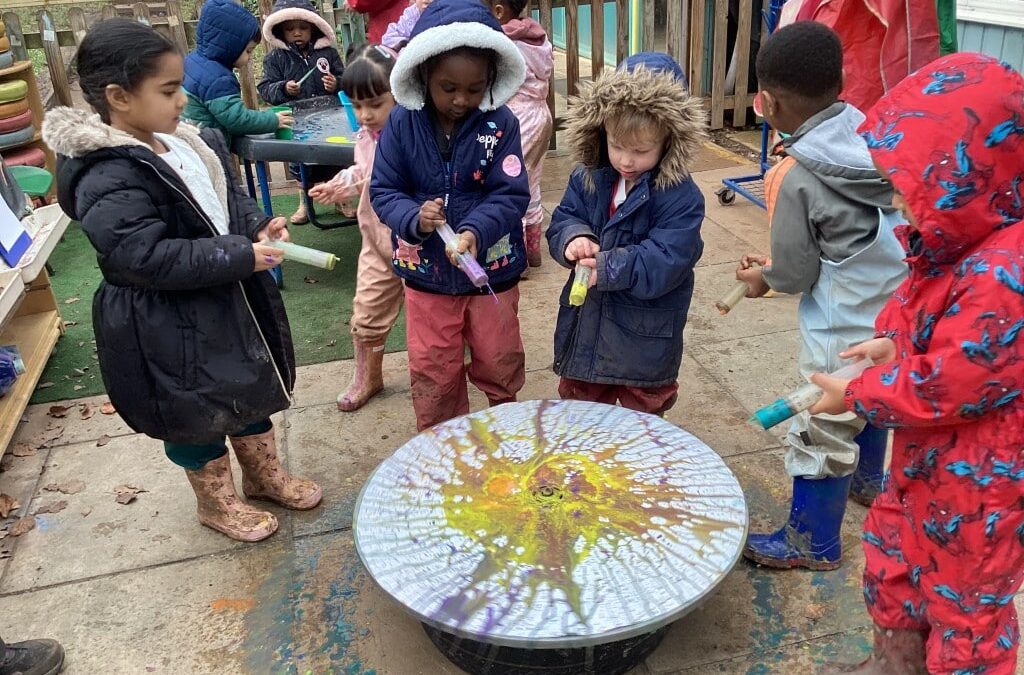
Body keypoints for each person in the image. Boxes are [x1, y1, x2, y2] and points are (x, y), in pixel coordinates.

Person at [43, 19, 321, 543]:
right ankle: (216, 502)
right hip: (167, 320)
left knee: (248, 386)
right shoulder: (108, 172)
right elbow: (140, 257)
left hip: (225, 295)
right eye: (169, 90)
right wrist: (241, 254)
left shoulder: (185, 142)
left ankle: (264, 477)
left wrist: (256, 222)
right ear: (119, 97)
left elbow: (222, 197)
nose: (182, 99)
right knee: (192, 408)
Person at [810, 53, 1024, 675]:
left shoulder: (1008, 270)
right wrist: (893, 346)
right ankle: (894, 662)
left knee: (966, 613)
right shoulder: (955, 241)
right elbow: (925, 318)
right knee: (893, 561)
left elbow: (958, 379)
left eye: (909, 186)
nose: (900, 201)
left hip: (981, 485)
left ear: (966, 175)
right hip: (924, 464)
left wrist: (861, 393)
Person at [733, 21, 907, 571]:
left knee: (822, 422)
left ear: (769, 102)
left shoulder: (794, 173)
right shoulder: (869, 133)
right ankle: (868, 480)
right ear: (842, 81)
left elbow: (798, 272)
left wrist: (766, 276)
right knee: (873, 395)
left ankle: (813, 541)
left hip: (840, 325)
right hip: (893, 310)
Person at [371, 0, 530, 432]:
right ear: (423, 73)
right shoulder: (401, 123)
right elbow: (383, 190)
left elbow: (511, 193)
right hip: (426, 276)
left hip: (491, 271)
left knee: (500, 357)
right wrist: (413, 217)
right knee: (433, 367)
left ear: (491, 80)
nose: (461, 100)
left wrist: (476, 230)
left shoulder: (501, 125)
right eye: (448, 88)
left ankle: (507, 423)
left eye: (474, 88)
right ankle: (439, 442)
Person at [546, 52, 705, 415]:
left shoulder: (681, 197)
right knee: (583, 410)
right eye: (617, 146)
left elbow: (669, 257)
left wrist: (611, 266)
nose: (626, 161)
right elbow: (565, 216)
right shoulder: (589, 176)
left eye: (641, 151)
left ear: (669, 142)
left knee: (641, 419)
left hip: (644, 335)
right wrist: (573, 238)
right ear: (601, 132)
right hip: (589, 323)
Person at [308, 44, 402, 412]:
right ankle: (368, 376)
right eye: (356, 105)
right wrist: (340, 185)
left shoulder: (414, 136)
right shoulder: (367, 137)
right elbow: (363, 173)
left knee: (442, 316)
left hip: (418, 243)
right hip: (377, 242)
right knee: (366, 312)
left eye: (375, 104)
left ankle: (453, 369)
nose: (363, 115)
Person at [257, 0, 346, 225]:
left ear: (314, 28)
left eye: (303, 27)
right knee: (300, 164)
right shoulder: (275, 58)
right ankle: (305, 203)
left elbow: (347, 80)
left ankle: (341, 200)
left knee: (335, 158)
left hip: (330, 116)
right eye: (289, 29)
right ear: (280, 31)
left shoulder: (327, 53)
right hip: (298, 120)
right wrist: (283, 88)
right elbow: (266, 89)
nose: (297, 33)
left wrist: (336, 84)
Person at [488, 0, 553, 270]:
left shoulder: (505, 43)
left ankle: (518, 258)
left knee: (509, 185)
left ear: (499, 11)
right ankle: (533, 250)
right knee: (531, 181)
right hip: (541, 116)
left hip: (518, 119)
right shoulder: (538, 38)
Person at [182, 0, 292, 142]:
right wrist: (272, 121)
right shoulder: (218, 79)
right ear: (229, 46)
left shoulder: (192, 61)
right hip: (207, 150)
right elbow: (237, 119)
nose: (250, 58)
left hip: (189, 142)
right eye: (248, 51)